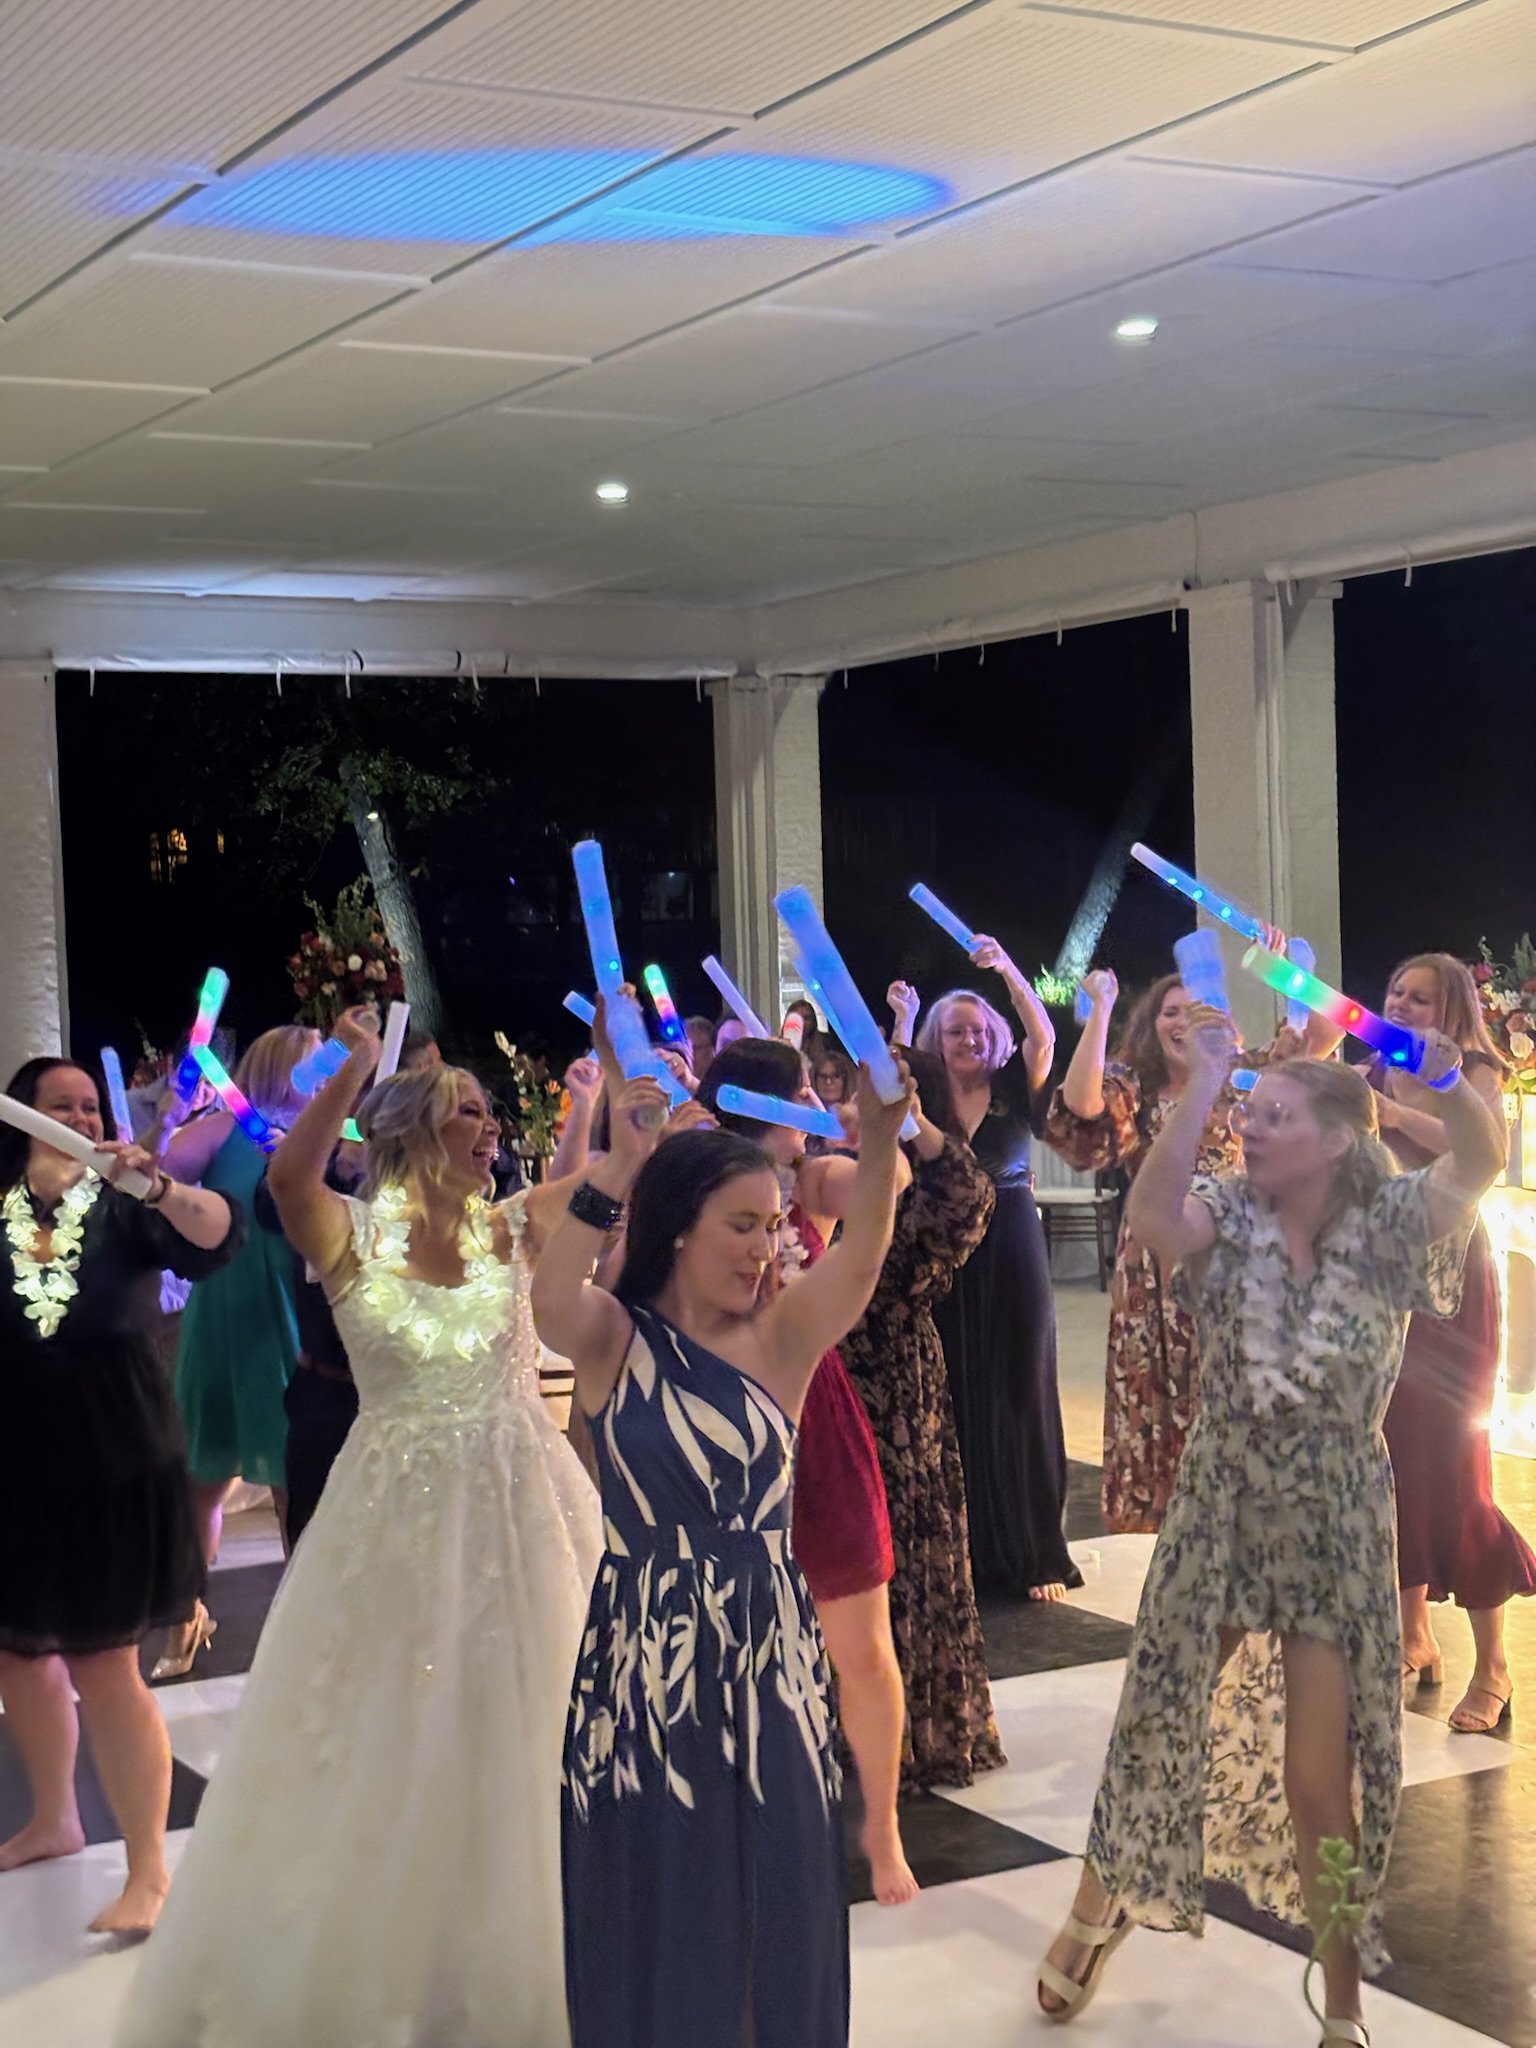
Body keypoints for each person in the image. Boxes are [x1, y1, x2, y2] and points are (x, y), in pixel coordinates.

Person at [116, 1009, 603, 2048]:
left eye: (487, 1112)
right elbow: (289, 1174)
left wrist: (609, 1095)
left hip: (522, 1501)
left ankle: (534, 1944)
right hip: (394, 1509)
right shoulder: (350, 1230)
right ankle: (394, 1950)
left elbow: (608, 1181)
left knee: (529, 1716)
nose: (489, 1127)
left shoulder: (509, 1226)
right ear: (412, 1129)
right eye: (467, 1111)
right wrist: (349, 1065)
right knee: (389, 1718)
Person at [1036, 1019, 1504, 2046]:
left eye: (1275, 1116)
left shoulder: (1390, 1219)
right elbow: (1152, 1217)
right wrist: (1208, 1080)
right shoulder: (1226, 1209)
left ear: (1337, 1139)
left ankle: (1343, 2004)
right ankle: (1098, 1900)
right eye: (1251, 1113)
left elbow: (1481, 1158)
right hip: (1223, 1495)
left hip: (1333, 1511)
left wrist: (1440, 1076)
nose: (1252, 1128)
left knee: (1317, 1777)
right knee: (1161, 1716)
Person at [531, 1037, 912, 2048]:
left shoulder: (780, 1338)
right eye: (742, 1224)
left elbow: (865, 1252)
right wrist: (619, 1163)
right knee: (657, 1881)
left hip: (764, 1651)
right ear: (678, 1230)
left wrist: (878, 1139)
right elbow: (549, 1296)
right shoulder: (613, 1338)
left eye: (774, 1223)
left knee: (773, 1881)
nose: (764, 1246)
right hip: (642, 1651)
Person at [0, 1057, 239, 1935]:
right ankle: (54, 1819)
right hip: (15, 1463)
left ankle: (148, 1870)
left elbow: (217, 1236)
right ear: (20, 1116)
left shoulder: (127, 1201)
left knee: (105, 1664)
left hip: (116, 1460)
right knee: (17, 1655)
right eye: (59, 1105)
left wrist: (159, 1184)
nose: (80, 1118)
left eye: (89, 1106)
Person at [699, 1038, 916, 1905]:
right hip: (720, 1417)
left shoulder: (810, 1181)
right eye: (800, 1094)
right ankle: (742, 1816)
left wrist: (870, 1134)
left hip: (814, 1419)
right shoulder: (688, 1183)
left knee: (859, 1639)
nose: (814, 1107)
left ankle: (881, 1826)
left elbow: (890, 1184)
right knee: (731, 1643)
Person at [1044, 964, 1309, 1533]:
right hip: (1153, 1263)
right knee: (1155, 1393)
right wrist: (1101, 1008)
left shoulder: (1242, 1076)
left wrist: (1282, 969)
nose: (1182, 1023)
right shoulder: (1133, 1087)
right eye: (1170, 1013)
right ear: (1152, 1024)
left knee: (1229, 1387)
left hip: (1234, 1255)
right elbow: (1081, 1106)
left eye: (1195, 1011)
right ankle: (1166, 1531)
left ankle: (1236, 1525)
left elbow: (1313, 1043)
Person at [1368, 953, 1535, 1733]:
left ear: (1453, 1009)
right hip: (1383, 1281)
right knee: (1393, 1460)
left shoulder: (1473, 1071)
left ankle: (1494, 1662)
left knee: (1457, 1467)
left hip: (1455, 1288)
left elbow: (1482, 1148)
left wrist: (1398, 1115)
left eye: (1420, 998)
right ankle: (1414, 1635)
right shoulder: (1373, 1071)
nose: (1402, 1005)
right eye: (1395, 993)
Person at [840, 1045, 1005, 1790]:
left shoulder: (924, 1183)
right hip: (832, 1375)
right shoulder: (833, 1168)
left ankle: (906, 1733)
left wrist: (909, 1123)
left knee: (897, 1545)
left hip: (892, 1380)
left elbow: (971, 1194)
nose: (848, 1105)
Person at [901, 941, 1074, 1597]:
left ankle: (1037, 1552)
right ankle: (965, 1549)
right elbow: (888, 1078)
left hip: (1012, 1234)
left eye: (977, 1029)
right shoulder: (925, 1094)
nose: (969, 1039)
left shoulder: (1014, 1085)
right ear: (936, 1040)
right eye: (955, 1030)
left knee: (1023, 1381)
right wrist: (901, 1017)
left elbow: (1043, 1034)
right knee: (952, 1383)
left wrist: (1006, 969)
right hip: (944, 1242)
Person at [159, 1024, 316, 1658]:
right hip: (224, 1313)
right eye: (315, 1067)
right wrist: (177, 1116)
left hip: (293, 1313)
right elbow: (159, 1171)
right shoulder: (226, 1127)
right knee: (202, 1475)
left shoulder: (331, 1133)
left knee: (295, 1479)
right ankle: (185, 1614)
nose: (324, 1081)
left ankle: (302, 1625)